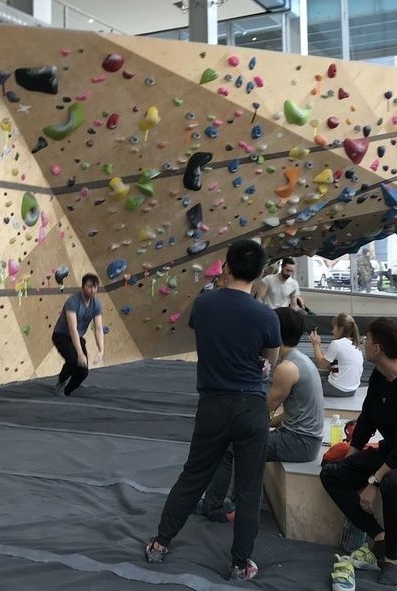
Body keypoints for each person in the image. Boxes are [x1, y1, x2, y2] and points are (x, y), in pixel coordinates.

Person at [143, 239, 281, 581]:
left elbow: (206, 338)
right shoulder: (266, 315)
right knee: (249, 488)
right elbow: (271, 361)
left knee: (193, 477)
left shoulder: (204, 305)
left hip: (213, 405)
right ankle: (239, 565)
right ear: (262, 272)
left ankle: (160, 544)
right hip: (250, 406)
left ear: (226, 266)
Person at [320, 317, 397, 587]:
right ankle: (378, 536)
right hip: (395, 451)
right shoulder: (380, 377)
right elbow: (367, 419)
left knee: (393, 484)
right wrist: (351, 455)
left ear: (377, 348)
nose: (363, 342)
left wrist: (373, 481)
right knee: (332, 474)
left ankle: (392, 559)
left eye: (367, 339)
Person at [199, 306, 326, 519]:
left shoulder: (287, 368)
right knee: (240, 440)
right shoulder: (301, 360)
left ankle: (219, 508)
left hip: (300, 443)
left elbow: (261, 410)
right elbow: (291, 413)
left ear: (274, 332)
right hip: (303, 438)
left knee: (229, 446)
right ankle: (235, 503)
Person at [51, 273, 104, 396]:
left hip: (77, 338)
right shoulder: (73, 302)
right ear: (82, 286)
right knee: (74, 361)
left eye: (95, 287)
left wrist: (101, 350)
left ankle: (67, 391)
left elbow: (99, 328)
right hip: (61, 335)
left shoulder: (96, 304)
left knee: (83, 371)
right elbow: (73, 329)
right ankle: (61, 380)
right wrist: (80, 354)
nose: (92, 290)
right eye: (89, 287)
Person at [309, 313, 364, 396]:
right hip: (352, 390)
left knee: (307, 383)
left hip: (337, 388)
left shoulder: (337, 344)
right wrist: (319, 347)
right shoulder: (355, 344)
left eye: (334, 328)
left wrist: (315, 345)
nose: (332, 331)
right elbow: (329, 363)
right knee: (322, 375)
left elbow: (320, 364)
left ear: (340, 329)